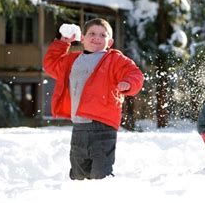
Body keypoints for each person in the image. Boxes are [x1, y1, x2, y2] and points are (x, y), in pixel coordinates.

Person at [43, 18, 144, 179]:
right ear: (82, 38)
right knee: (78, 173)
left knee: (100, 173)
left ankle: (104, 198)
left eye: (102, 35)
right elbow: (51, 64)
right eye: (92, 33)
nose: (96, 38)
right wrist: (63, 43)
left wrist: (128, 83)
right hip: (79, 126)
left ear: (109, 42)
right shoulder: (72, 60)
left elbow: (135, 74)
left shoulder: (114, 60)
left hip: (103, 125)